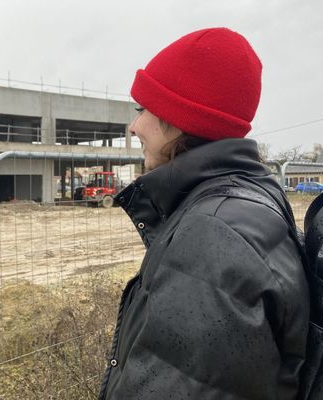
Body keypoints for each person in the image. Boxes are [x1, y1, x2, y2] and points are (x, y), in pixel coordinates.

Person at [98, 28, 309, 400]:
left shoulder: (211, 236)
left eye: (142, 109)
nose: (134, 127)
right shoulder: (248, 200)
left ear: (181, 116)